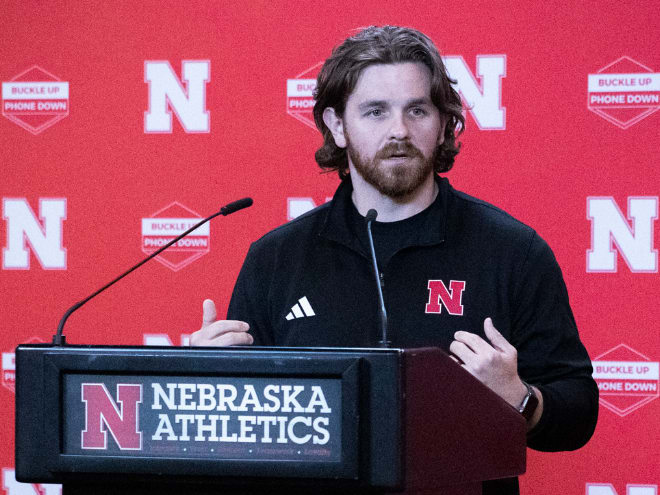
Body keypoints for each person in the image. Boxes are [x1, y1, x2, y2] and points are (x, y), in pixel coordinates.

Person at [191, 25, 598, 494]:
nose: (399, 131)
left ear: (444, 124)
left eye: (417, 110)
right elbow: (242, 433)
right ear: (338, 126)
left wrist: (522, 401)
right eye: (375, 111)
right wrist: (211, 388)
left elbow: (579, 410)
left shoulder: (512, 251)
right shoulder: (277, 258)